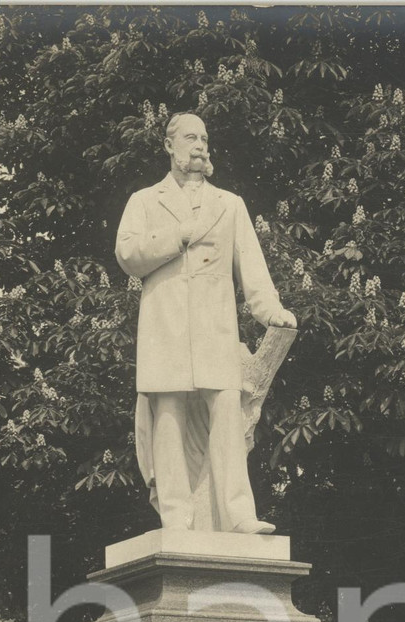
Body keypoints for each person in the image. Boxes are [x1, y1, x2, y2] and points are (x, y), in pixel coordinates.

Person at [115, 113, 296, 533]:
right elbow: (127, 256)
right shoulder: (144, 200)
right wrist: (177, 236)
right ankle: (177, 516)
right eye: (190, 138)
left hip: (215, 326)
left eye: (204, 138)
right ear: (168, 145)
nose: (199, 146)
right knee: (169, 416)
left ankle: (238, 515)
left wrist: (270, 310)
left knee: (228, 410)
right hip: (165, 325)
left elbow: (252, 267)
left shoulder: (229, 204)